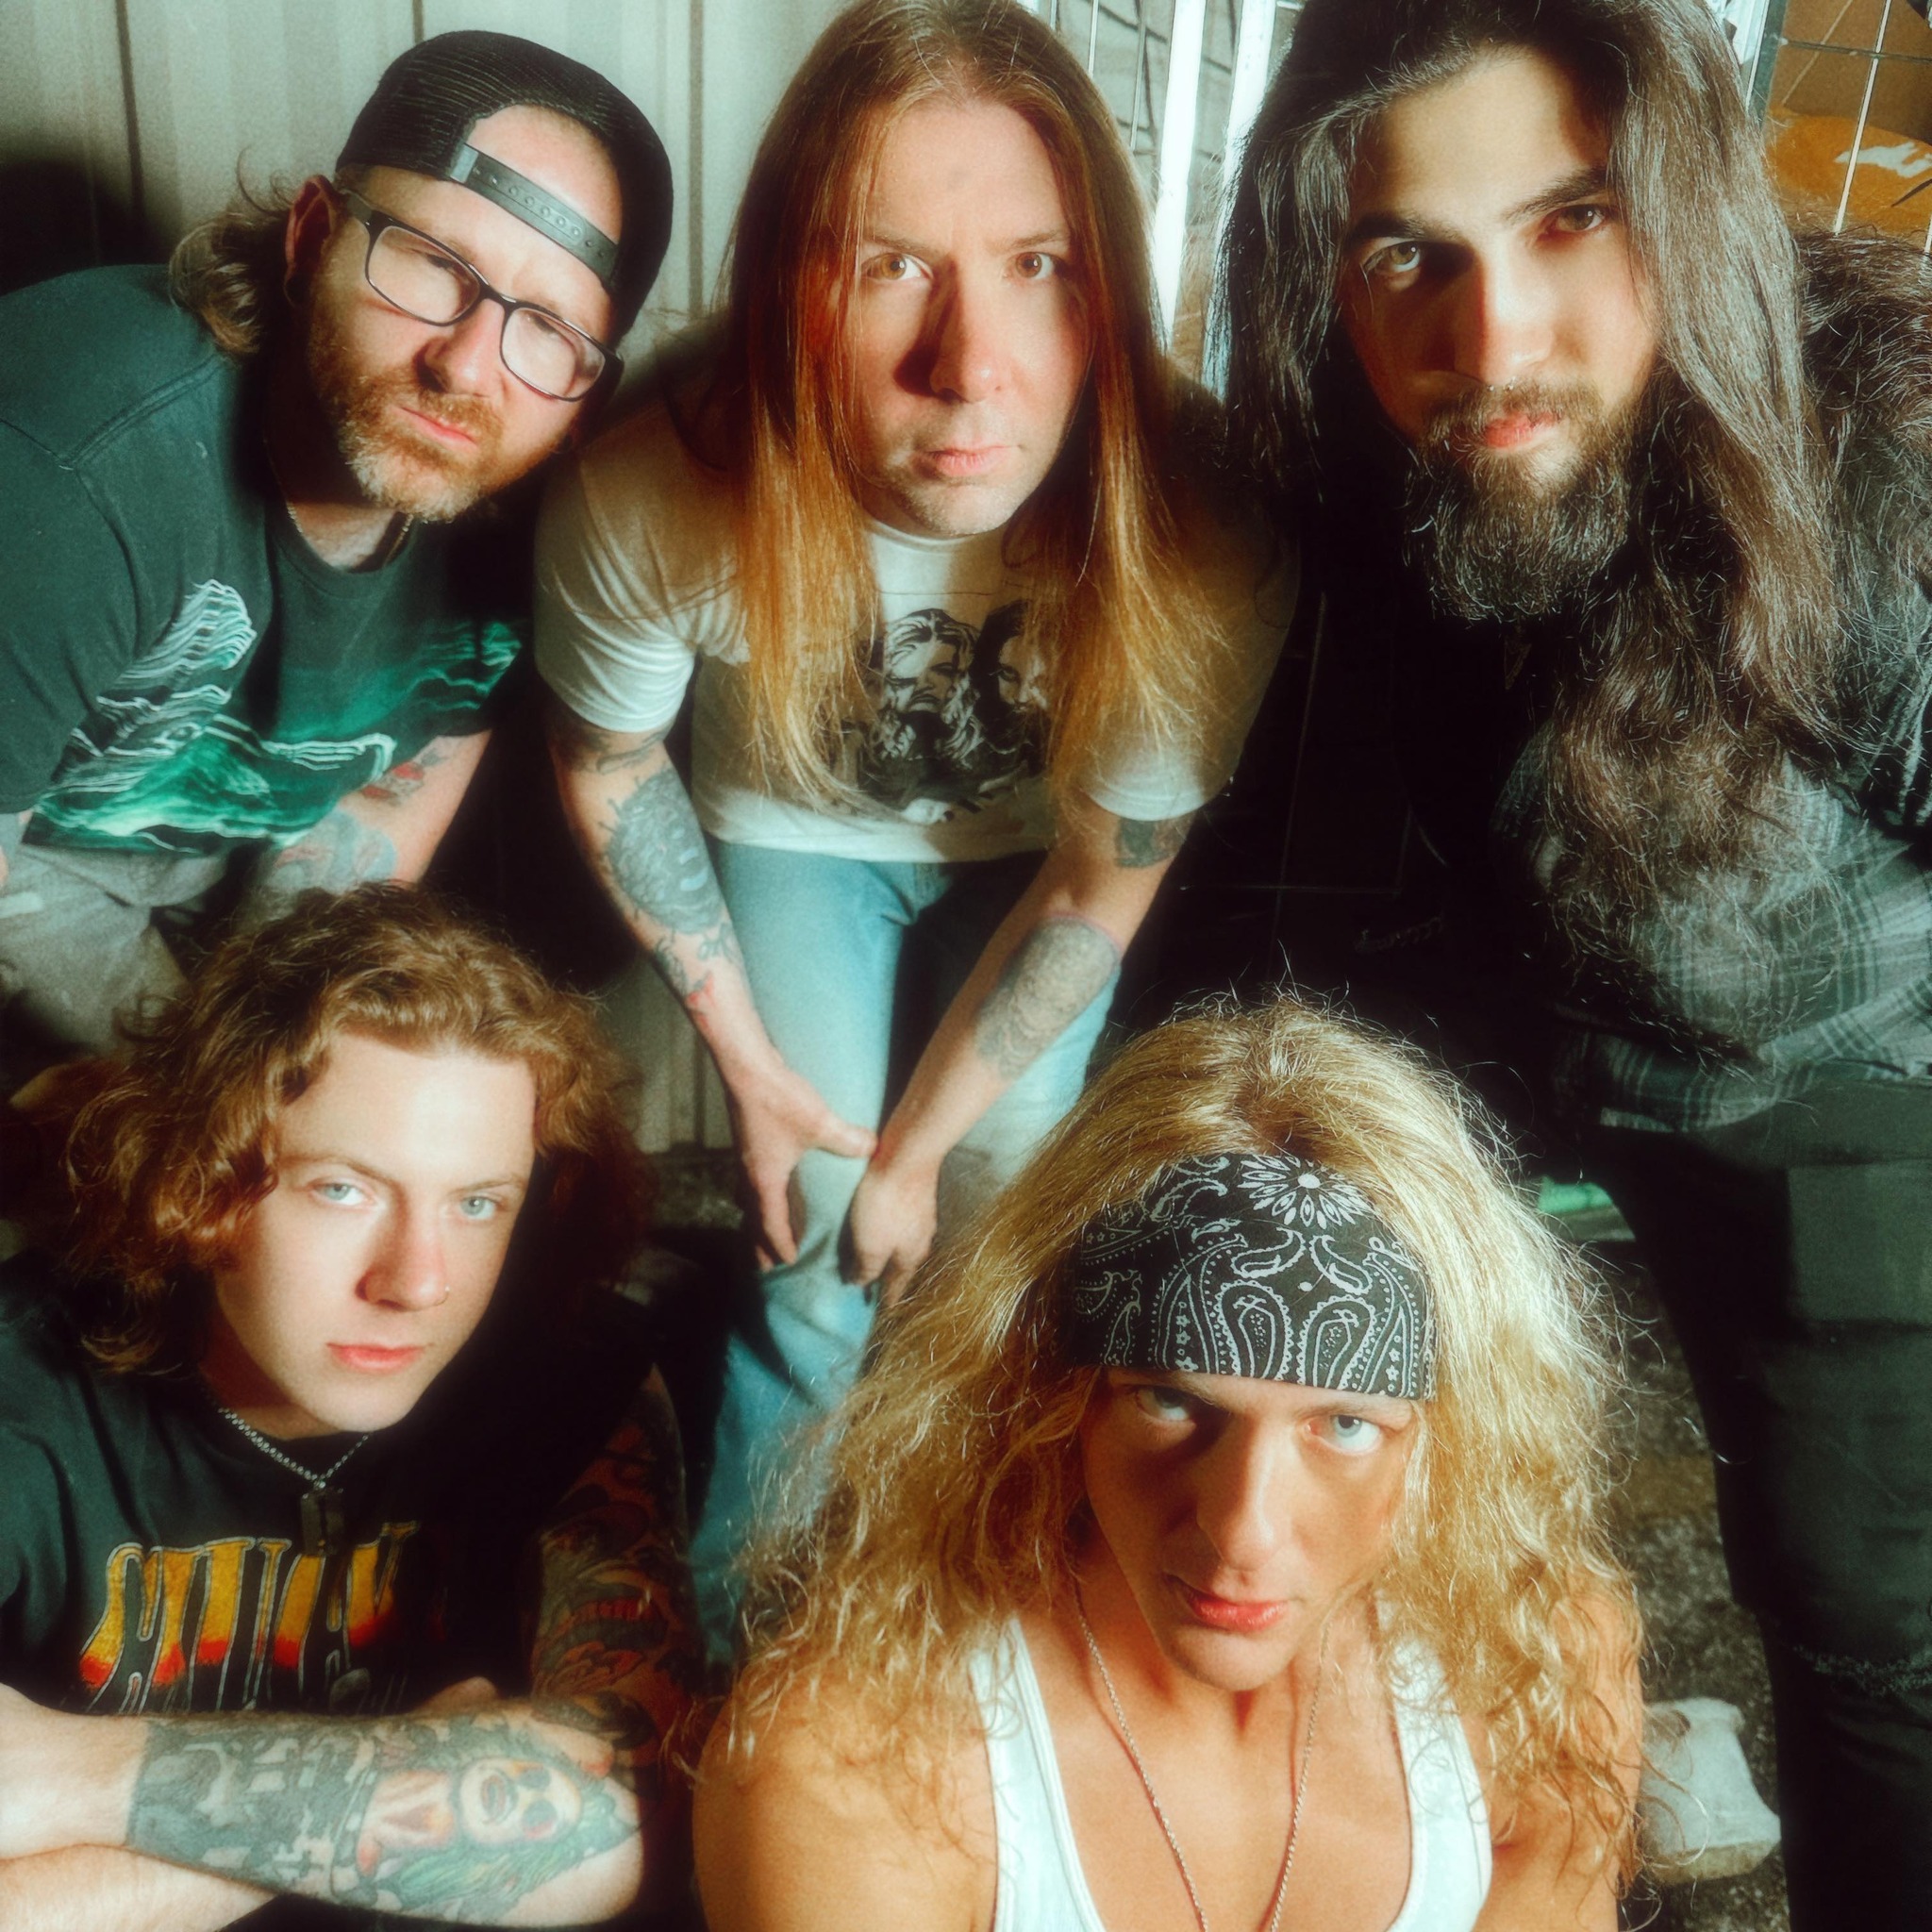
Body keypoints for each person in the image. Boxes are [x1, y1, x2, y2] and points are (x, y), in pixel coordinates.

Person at [1217, 2, 1932, 1924]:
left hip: (1846, 1114)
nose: (1490, 336)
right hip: (1527, 1056)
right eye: (1407, 252)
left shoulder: (1873, 474)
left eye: (1569, 220)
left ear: (1680, 209)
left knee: (1866, 1638)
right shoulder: (1352, 455)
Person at [535, 0, 1292, 1649]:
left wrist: (922, 1155)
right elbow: (609, 759)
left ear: (1108, 286)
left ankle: (970, 1639)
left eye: (1039, 265)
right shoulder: (655, 478)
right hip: (792, 835)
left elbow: (1103, 873)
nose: (969, 365)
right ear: (783, 280)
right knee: (810, 1247)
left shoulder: (1202, 517)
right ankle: (755, 1659)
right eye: (888, 265)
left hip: (1047, 861)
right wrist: (749, 1072)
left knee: (998, 1253)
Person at [693, 997, 1642, 1931]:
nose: (1240, 1533)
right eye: (1171, 1401)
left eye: (1345, 1424)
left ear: (1448, 1430)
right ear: (1051, 1389)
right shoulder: (853, 1764)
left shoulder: (1537, 1665)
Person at [0, 886, 703, 1928]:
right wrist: (412, 1771)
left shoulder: (575, 1381)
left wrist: (74, 1773)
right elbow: (544, 1823)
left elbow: (625, 1813)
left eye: (477, 1203)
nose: (417, 1280)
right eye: (342, 1188)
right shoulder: (25, 1392)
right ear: (196, 1176)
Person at [0, 30, 672, 1079]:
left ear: (588, 396)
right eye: (432, 263)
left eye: (548, 328)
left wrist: (277, 1071)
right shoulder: (78, 459)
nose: (465, 368)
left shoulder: (545, 525)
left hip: (221, 880)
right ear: (313, 237)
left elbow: (378, 809)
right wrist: (193, 1097)